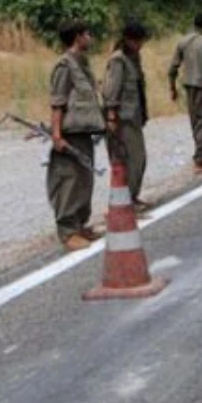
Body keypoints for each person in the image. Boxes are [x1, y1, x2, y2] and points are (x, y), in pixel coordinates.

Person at [48, 20, 106, 252]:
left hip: (84, 132)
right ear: (77, 37)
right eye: (87, 34)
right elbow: (57, 103)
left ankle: (80, 225)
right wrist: (56, 135)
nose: (90, 38)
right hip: (69, 134)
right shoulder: (65, 66)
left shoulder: (82, 64)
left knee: (84, 180)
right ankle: (68, 232)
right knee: (69, 182)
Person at [104, 21, 150, 209]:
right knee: (130, 159)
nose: (140, 45)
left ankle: (132, 196)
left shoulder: (134, 58)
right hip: (122, 118)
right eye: (137, 41)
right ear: (128, 40)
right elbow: (111, 90)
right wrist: (112, 116)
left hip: (134, 117)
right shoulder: (118, 60)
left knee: (138, 158)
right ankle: (126, 200)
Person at [169, 13, 202, 173]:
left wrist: (172, 88)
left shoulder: (183, 41)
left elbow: (172, 68)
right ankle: (201, 160)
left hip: (188, 86)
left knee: (195, 121)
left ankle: (201, 155)